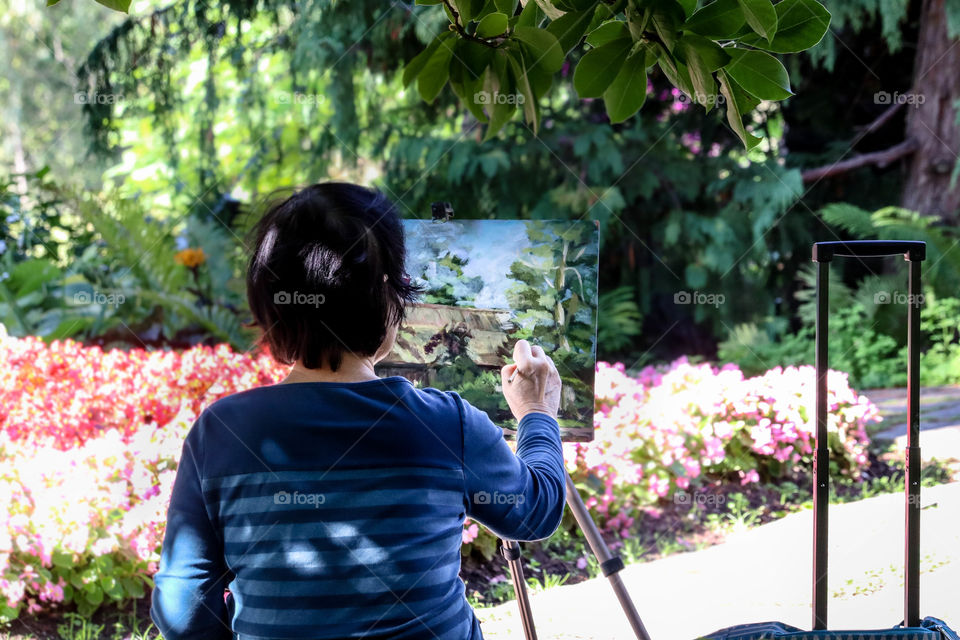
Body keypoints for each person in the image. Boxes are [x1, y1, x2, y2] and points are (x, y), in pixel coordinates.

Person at [150, 182, 566, 640]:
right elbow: (535, 512)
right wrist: (536, 412)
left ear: (269, 304)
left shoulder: (222, 433)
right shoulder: (449, 424)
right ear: (389, 296)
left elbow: (182, 610)